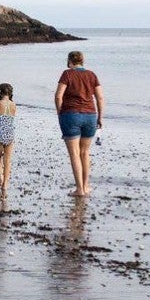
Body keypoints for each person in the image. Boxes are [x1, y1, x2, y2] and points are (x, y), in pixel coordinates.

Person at [54, 49, 103, 196]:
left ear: (70, 61)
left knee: (75, 154)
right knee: (85, 152)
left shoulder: (67, 74)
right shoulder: (91, 75)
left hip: (71, 115)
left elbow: (58, 96)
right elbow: (100, 98)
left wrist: (59, 112)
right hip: (90, 115)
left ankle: (79, 189)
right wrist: (100, 117)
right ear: (82, 61)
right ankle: (86, 186)